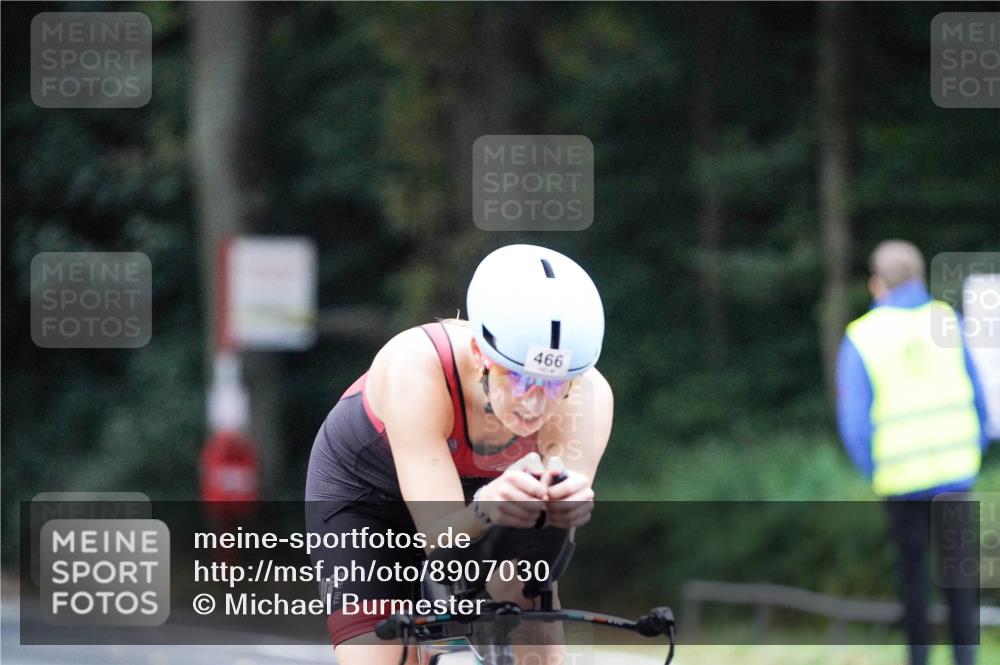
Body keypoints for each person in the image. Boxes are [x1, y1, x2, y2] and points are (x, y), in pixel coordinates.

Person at [305, 244, 613, 665]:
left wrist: (560, 509)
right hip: (367, 495)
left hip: (488, 497)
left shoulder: (589, 396)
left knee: (534, 609)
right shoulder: (416, 367)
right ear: (479, 353)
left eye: (555, 385)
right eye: (519, 379)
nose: (535, 404)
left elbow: (543, 555)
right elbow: (439, 537)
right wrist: (485, 508)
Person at [836, 240, 990, 665]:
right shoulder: (948, 320)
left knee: (912, 582)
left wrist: (873, 469)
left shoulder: (863, 335)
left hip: (900, 481)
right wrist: (973, 452)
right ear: (919, 276)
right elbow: (979, 396)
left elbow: (853, 420)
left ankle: (919, 659)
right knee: (960, 580)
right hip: (956, 473)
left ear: (878, 282)